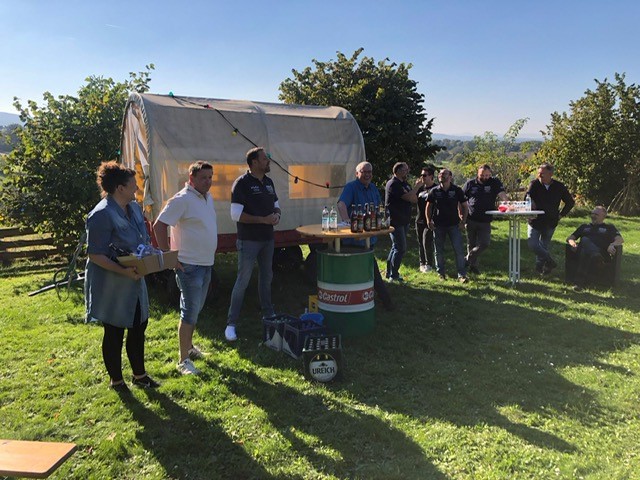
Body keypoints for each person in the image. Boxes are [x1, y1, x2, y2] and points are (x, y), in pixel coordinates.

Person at [85, 161, 159, 391]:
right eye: (133, 184)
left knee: (139, 325)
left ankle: (140, 375)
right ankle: (116, 381)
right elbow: (95, 255)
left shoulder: (134, 208)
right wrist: (123, 271)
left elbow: (141, 239)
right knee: (114, 329)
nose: (137, 188)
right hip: (113, 282)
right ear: (120, 188)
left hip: (135, 278)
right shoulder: (101, 214)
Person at [153, 161, 217, 376]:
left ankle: (189, 348)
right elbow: (159, 225)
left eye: (210, 177)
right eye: (203, 178)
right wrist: (168, 256)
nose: (208, 181)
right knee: (189, 311)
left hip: (206, 263)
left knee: (195, 309)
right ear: (192, 179)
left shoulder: (207, 197)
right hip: (189, 265)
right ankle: (183, 360)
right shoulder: (182, 199)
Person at [226, 147, 280, 341]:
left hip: (267, 239)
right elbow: (235, 215)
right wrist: (263, 220)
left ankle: (268, 313)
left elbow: (276, 204)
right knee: (243, 281)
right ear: (254, 162)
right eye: (265, 158)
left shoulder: (269, 182)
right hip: (248, 240)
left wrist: (277, 215)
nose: (268, 161)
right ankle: (231, 324)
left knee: (266, 277)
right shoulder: (242, 183)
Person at [337, 161, 393, 310]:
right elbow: (341, 204)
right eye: (364, 172)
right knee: (369, 271)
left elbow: (378, 208)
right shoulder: (351, 187)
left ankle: (366, 300)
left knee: (368, 271)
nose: (367, 174)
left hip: (369, 239)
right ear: (357, 174)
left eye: (370, 172)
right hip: (354, 243)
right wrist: (347, 222)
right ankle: (383, 302)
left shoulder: (373, 188)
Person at [526, 162, 575, 274]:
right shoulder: (534, 184)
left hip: (551, 221)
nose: (540, 175)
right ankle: (550, 261)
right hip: (535, 220)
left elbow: (570, 202)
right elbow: (527, 197)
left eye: (542, 173)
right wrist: (530, 203)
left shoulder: (559, 187)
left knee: (544, 245)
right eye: (539, 173)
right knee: (533, 244)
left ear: (550, 174)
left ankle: (539, 267)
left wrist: (561, 214)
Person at [462, 164, 508, 274]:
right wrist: (461, 215)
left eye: (487, 175)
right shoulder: (470, 184)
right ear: (478, 174)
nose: (485, 177)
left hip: (485, 219)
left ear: (490, 174)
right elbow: (461, 198)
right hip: (471, 218)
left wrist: (507, 202)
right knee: (471, 244)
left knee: (484, 243)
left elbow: (502, 194)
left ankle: (467, 259)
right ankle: (473, 267)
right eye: (482, 175)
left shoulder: (494, 182)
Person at [425, 168, 469, 283]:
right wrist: (428, 221)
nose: (441, 176)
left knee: (458, 250)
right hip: (438, 225)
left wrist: (463, 221)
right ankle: (441, 273)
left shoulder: (457, 190)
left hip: (454, 224)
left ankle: (462, 275)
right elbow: (428, 206)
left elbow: (465, 206)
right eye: (440, 174)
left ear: (450, 177)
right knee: (438, 251)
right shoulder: (434, 191)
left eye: (444, 174)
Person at [566, 206, 623, 291]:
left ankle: (579, 284)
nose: (593, 216)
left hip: (601, 253)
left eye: (596, 214)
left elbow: (620, 239)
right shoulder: (584, 227)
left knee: (586, 249)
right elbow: (570, 238)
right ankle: (595, 257)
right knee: (586, 244)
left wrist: (612, 245)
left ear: (603, 216)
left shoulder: (609, 228)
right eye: (592, 214)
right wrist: (573, 243)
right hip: (584, 252)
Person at [385, 162, 424, 282]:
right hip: (395, 220)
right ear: (397, 171)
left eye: (407, 169)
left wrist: (413, 193)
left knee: (396, 247)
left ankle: (389, 272)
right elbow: (407, 197)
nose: (407, 172)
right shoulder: (393, 184)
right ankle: (394, 275)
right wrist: (417, 187)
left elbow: (414, 199)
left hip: (404, 219)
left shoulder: (405, 184)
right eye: (405, 170)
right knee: (401, 248)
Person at [415, 166, 437, 273]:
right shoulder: (420, 188)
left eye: (424, 175)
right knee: (420, 242)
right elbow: (412, 199)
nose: (422, 177)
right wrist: (416, 187)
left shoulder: (436, 189)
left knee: (426, 241)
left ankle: (429, 263)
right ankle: (422, 263)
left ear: (431, 176)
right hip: (419, 219)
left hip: (430, 219)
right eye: (421, 175)